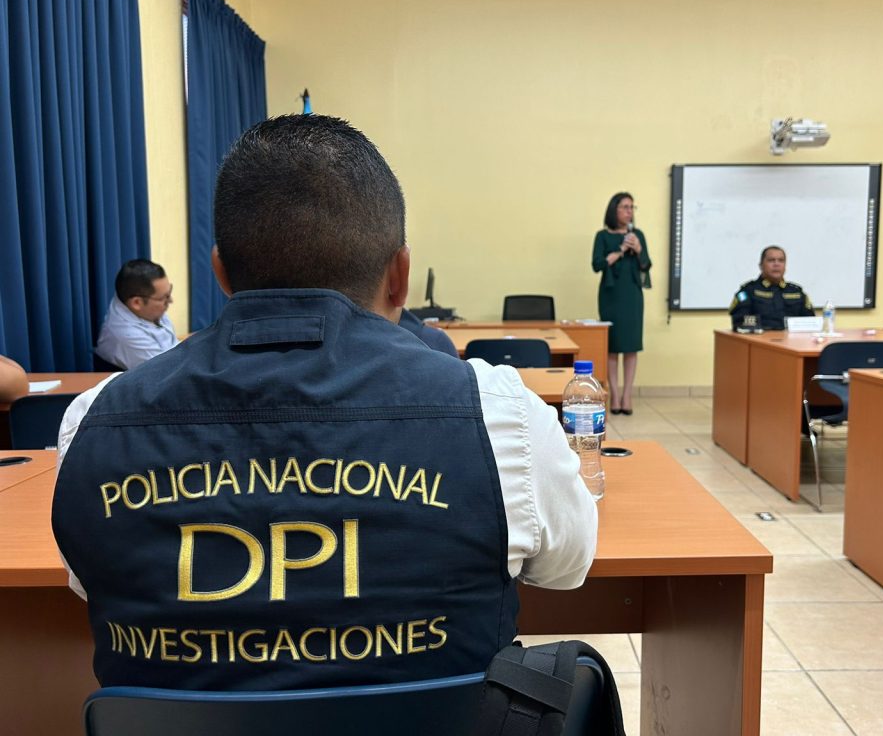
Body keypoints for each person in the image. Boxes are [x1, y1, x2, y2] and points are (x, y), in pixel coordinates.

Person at [52, 114, 597, 692]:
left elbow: (91, 581)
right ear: (401, 276)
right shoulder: (500, 413)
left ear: (221, 273)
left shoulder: (93, 420)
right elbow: (567, 567)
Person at [591, 192, 651, 416]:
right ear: (614, 210)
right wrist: (621, 250)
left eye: (632, 207)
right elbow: (597, 264)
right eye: (625, 207)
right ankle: (614, 395)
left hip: (633, 296)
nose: (629, 211)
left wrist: (638, 249)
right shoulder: (602, 236)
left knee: (631, 346)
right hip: (611, 295)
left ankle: (627, 396)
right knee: (613, 346)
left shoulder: (638, 235)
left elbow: (646, 265)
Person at [94, 259, 178, 370]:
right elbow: (168, 371)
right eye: (164, 297)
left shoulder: (145, 308)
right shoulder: (128, 337)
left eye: (169, 293)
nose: (170, 301)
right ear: (137, 303)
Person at [729, 245, 815, 331]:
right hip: (760, 338)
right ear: (761, 265)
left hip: (791, 338)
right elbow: (740, 321)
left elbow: (811, 322)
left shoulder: (797, 292)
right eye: (771, 260)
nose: (776, 264)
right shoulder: (748, 291)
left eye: (781, 260)